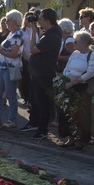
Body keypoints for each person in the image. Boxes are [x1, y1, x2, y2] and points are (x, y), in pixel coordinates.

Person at [57, 31, 94, 149]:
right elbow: (66, 70)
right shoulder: (75, 53)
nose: (74, 44)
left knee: (81, 114)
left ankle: (80, 140)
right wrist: (70, 79)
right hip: (70, 85)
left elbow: (91, 72)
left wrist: (75, 81)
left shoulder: (93, 54)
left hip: (83, 87)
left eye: (76, 42)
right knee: (67, 112)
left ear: (83, 43)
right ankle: (70, 138)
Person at [25, 8, 62, 140]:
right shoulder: (49, 33)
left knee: (42, 103)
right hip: (38, 73)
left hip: (44, 74)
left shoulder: (52, 36)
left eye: (40, 18)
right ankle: (34, 123)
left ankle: (43, 130)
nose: (38, 21)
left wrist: (34, 32)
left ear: (47, 21)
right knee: (34, 100)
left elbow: (33, 49)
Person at [0, 10, 24, 128]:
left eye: (7, 20)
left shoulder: (17, 34)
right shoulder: (11, 34)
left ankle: (12, 120)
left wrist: (0, 50)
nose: (6, 23)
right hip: (3, 67)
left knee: (10, 94)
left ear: (15, 21)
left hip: (10, 68)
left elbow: (14, 53)